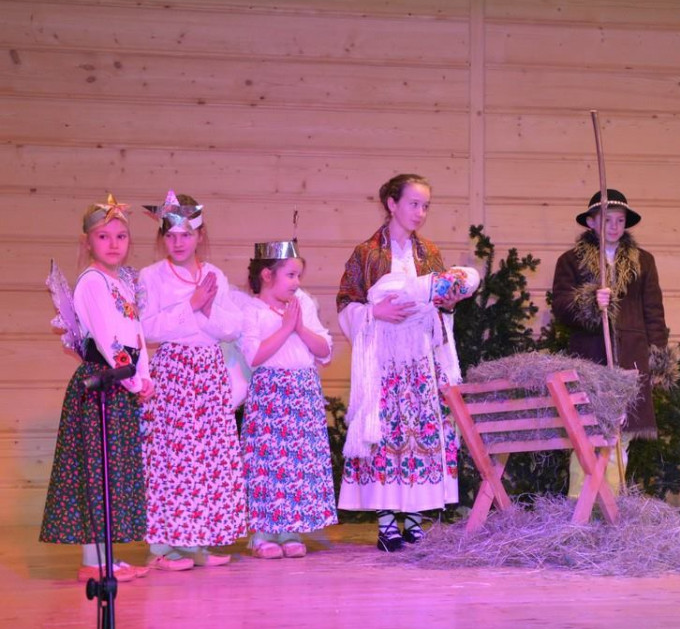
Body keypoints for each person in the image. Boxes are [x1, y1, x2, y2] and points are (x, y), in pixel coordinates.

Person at [337, 174, 468, 553]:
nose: (420, 212)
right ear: (392, 204)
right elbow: (346, 302)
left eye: (425, 206)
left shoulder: (429, 252)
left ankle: (413, 519)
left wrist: (447, 303)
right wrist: (373, 312)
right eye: (413, 204)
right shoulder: (366, 253)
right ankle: (386, 524)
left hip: (420, 362)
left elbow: (440, 300)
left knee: (420, 436)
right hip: (383, 362)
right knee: (386, 436)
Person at [40, 195, 153, 582]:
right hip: (101, 384)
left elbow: (136, 334)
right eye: (104, 236)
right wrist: (133, 379)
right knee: (97, 470)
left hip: (120, 383)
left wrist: (145, 376)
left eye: (121, 236)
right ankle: (94, 560)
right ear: (88, 242)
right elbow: (107, 340)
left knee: (112, 471)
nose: (114, 244)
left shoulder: (122, 282)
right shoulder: (92, 282)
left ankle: (108, 558)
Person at [138, 192, 245, 571]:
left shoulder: (215, 275)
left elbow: (232, 328)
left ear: (200, 235)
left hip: (209, 373)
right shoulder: (151, 276)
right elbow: (146, 328)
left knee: (209, 456)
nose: (178, 242)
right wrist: (190, 306)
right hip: (174, 373)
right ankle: (167, 545)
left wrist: (209, 307)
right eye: (170, 236)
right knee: (173, 457)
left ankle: (202, 538)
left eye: (186, 235)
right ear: (162, 239)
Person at [550, 189, 669, 493]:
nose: (614, 226)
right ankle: (582, 503)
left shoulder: (644, 262)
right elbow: (560, 307)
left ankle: (611, 502)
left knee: (621, 434)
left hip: (631, 357)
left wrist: (657, 359)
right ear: (591, 222)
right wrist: (590, 300)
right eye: (606, 220)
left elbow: (653, 312)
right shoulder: (571, 261)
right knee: (588, 431)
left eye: (620, 220)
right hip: (590, 358)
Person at [239, 240, 336, 559]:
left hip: (302, 392)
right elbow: (254, 355)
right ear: (267, 275)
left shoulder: (301, 302)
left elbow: (324, 349)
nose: (296, 282)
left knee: (298, 464)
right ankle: (263, 533)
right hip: (271, 394)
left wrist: (299, 327)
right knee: (268, 463)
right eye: (291, 275)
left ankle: (291, 529)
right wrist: (285, 328)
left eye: (298, 276)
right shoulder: (252, 310)